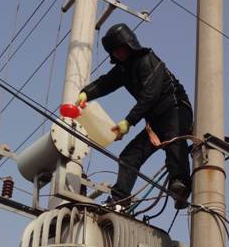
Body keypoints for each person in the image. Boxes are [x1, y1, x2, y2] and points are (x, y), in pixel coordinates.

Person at [79, 23, 193, 209]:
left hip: (175, 109)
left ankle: (180, 186)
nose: (117, 54)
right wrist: (86, 93)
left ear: (129, 44)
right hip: (155, 121)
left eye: (120, 48)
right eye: (114, 51)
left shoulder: (148, 59)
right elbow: (105, 83)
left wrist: (128, 121)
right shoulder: (123, 70)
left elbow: (150, 95)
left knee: (174, 141)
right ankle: (120, 201)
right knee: (129, 157)